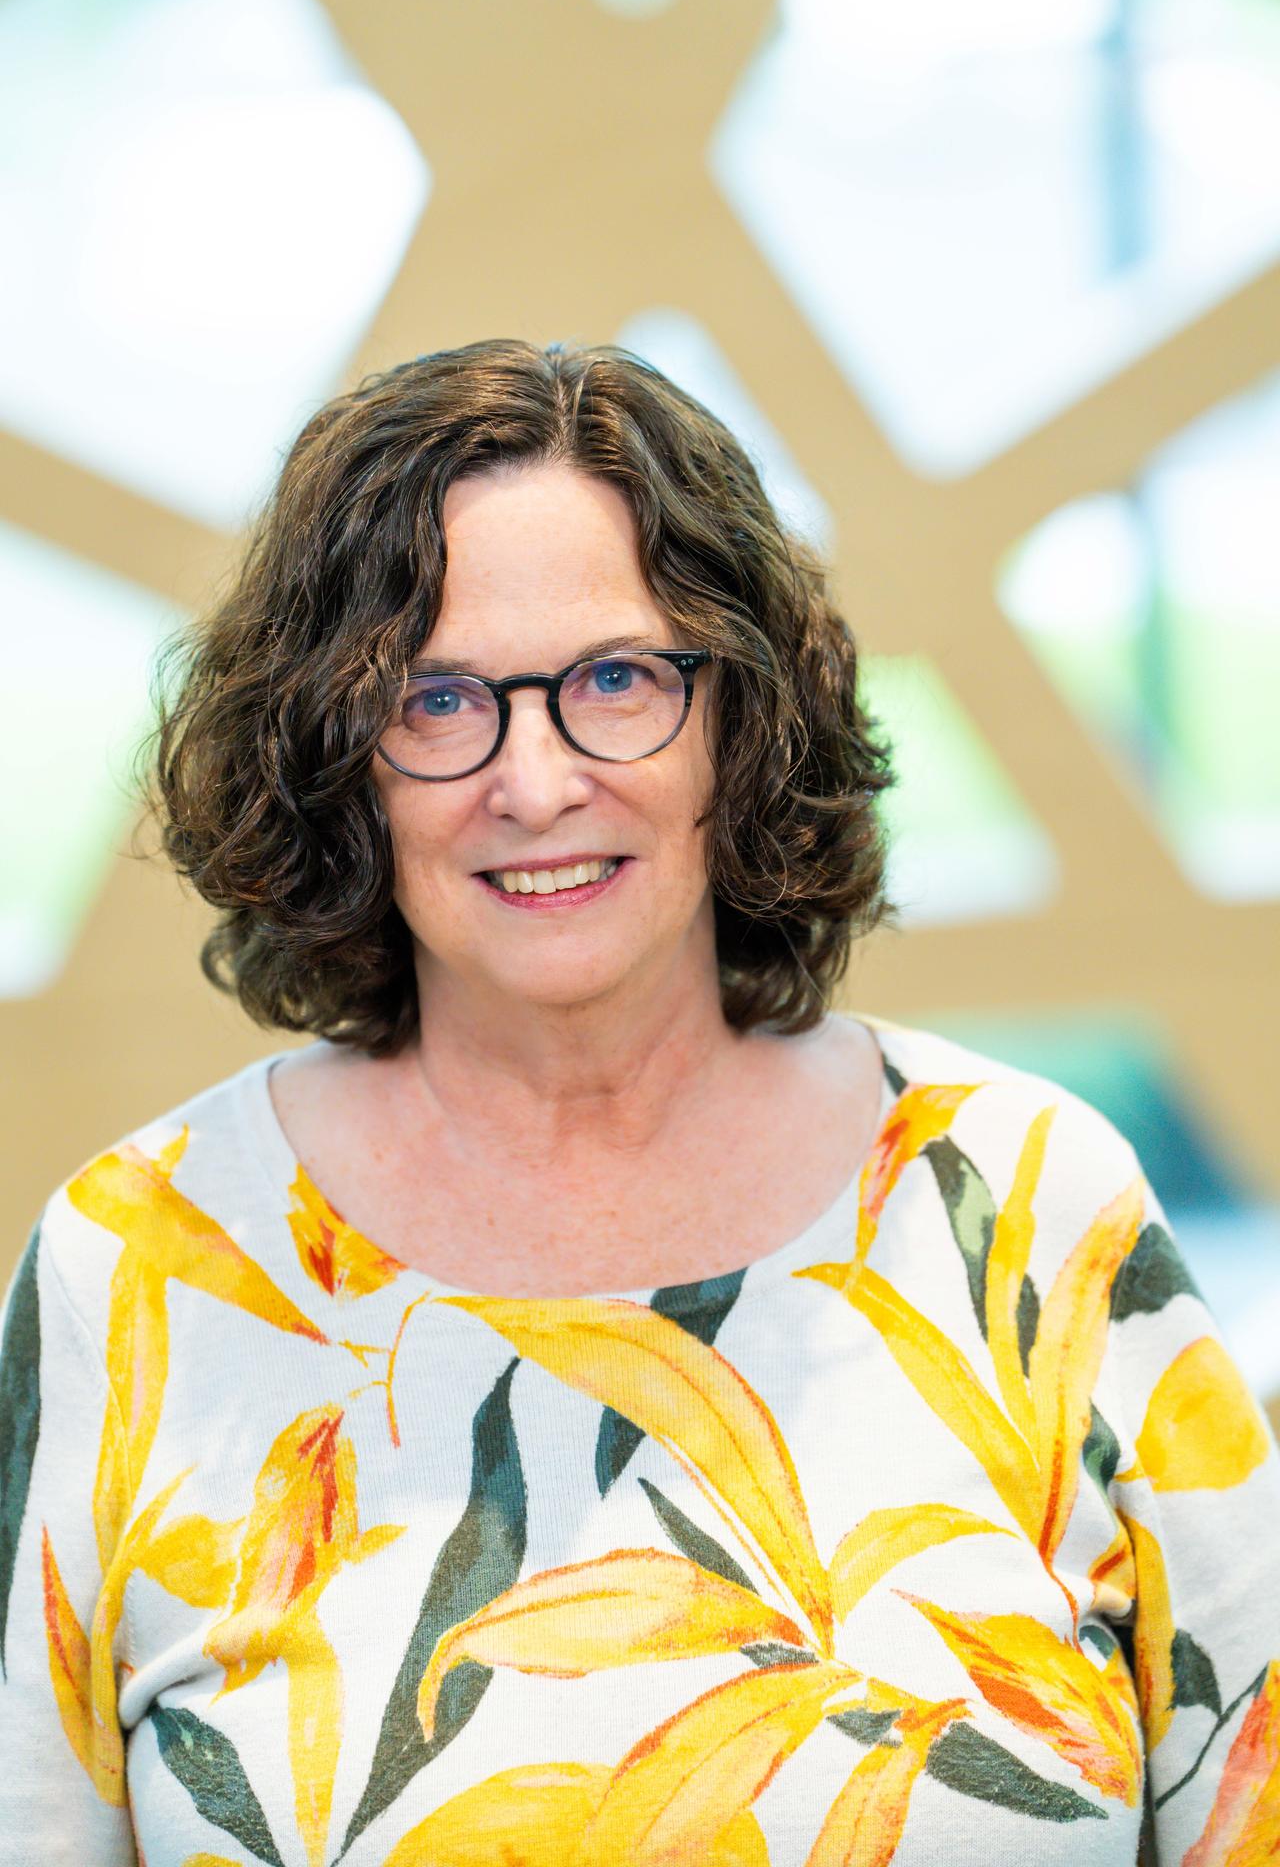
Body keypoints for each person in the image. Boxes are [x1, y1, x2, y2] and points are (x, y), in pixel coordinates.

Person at [0, 339, 1276, 1867]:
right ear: (339, 761)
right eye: (438, 699)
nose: (533, 782)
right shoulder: (132, 1268)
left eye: (617, 679)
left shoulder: (1028, 1205)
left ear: (740, 721)